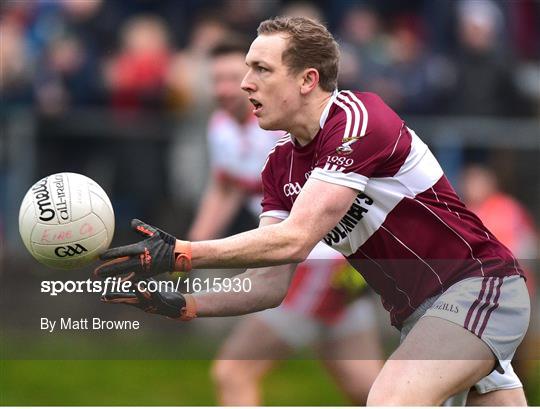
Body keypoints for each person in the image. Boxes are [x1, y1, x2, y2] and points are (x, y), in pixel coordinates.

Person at [95, 17, 530, 406]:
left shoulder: (359, 119)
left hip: (477, 287)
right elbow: (267, 285)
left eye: (261, 69)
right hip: (421, 316)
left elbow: (295, 237)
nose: (247, 83)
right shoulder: (280, 165)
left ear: (307, 79)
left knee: (390, 400)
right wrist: (184, 304)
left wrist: (183, 253)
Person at [189, 37, 382, 405]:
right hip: (312, 262)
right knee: (368, 390)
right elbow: (225, 187)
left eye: (238, 76)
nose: (228, 88)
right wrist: (189, 244)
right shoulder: (221, 127)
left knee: (233, 371)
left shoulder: (286, 127)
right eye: (217, 80)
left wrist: (185, 254)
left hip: (318, 263)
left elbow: (300, 230)